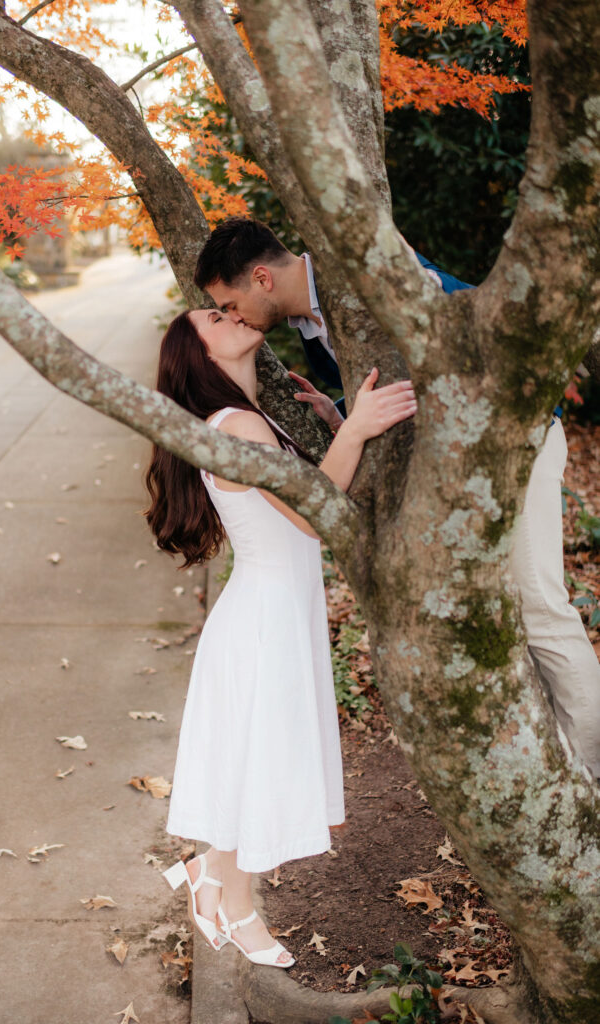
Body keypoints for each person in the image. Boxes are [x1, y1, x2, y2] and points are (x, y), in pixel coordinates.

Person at [193, 217, 600, 780]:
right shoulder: (309, 328)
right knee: (499, 615)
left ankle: (591, 772)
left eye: (229, 304)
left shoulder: (361, 264)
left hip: (511, 437)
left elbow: (457, 324)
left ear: (262, 278)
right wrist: (340, 412)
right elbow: (394, 380)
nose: (234, 317)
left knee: (541, 608)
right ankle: (556, 760)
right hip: (452, 466)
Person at [145, 309, 417, 967]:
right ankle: (234, 905)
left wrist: (336, 423)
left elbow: (308, 494)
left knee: (253, 758)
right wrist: (357, 426)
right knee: (260, 761)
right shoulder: (235, 426)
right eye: (214, 317)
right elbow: (311, 514)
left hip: (270, 611)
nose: (231, 314)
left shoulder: (244, 419)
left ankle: (210, 874)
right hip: (264, 620)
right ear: (200, 354)